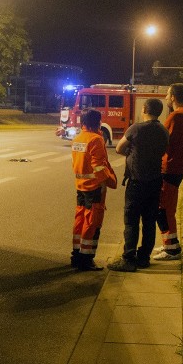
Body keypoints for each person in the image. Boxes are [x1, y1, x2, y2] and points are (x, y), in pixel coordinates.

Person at [108, 98, 169, 272]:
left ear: (144, 109)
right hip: (155, 181)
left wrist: (132, 153)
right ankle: (144, 258)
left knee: (131, 221)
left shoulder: (136, 128)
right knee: (149, 221)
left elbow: (119, 148)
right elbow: (164, 150)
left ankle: (128, 259)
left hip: (136, 182)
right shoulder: (164, 131)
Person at [71, 108, 117, 271]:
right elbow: (98, 167)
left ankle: (76, 255)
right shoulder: (96, 140)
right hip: (95, 188)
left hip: (81, 186)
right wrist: (111, 180)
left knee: (80, 220)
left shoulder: (78, 138)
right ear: (97, 122)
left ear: (83, 122)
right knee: (92, 223)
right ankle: (86, 259)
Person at [154, 83, 183, 260]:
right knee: (166, 206)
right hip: (178, 166)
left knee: (163, 208)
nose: (165, 97)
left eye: (167, 94)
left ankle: (172, 249)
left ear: (173, 97)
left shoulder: (175, 116)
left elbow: (163, 141)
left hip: (170, 167)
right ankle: (168, 243)